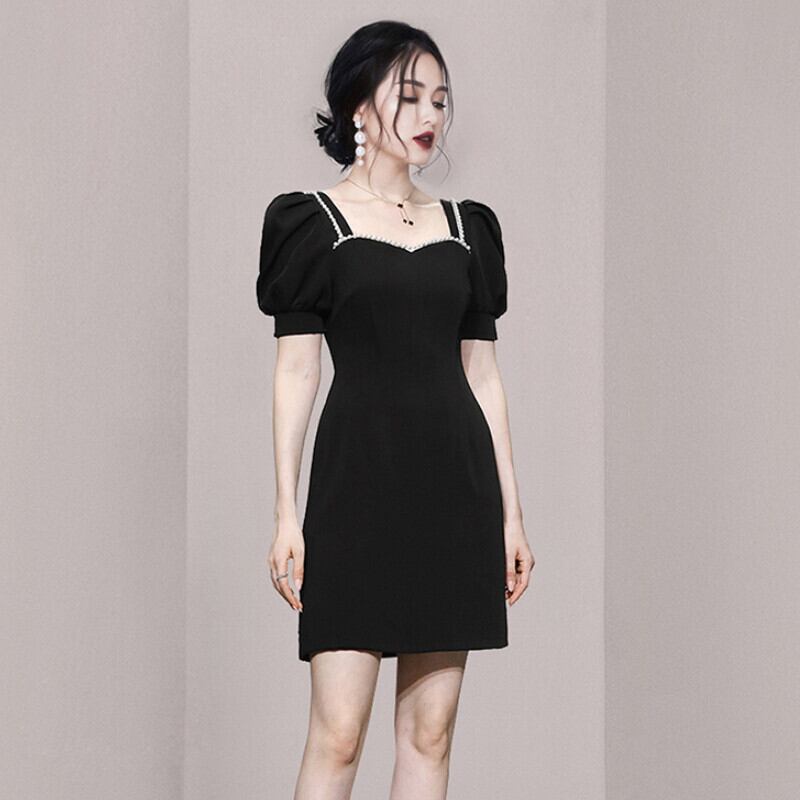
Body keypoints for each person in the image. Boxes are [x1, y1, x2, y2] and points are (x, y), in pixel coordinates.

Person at [256, 20, 535, 799]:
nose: (429, 115)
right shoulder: (312, 223)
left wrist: (512, 515)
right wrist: (286, 513)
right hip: (355, 493)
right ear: (358, 106)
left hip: (455, 496)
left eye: (440, 99)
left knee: (429, 736)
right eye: (410, 95)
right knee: (338, 736)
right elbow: (296, 374)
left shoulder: (468, 229)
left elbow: (483, 377)